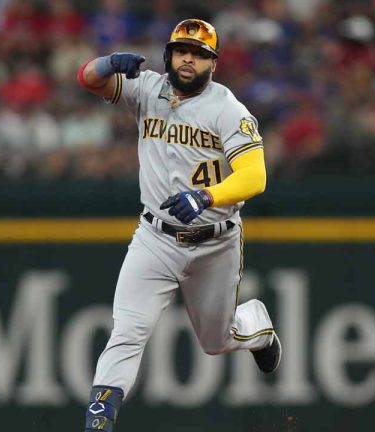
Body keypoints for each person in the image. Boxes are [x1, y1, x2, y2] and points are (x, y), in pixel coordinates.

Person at [77, 18, 281, 432]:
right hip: (155, 237)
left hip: (214, 242)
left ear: (213, 64)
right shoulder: (147, 88)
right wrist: (108, 63)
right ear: (169, 55)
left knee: (216, 341)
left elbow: (255, 176)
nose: (190, 59)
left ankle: (258, 328)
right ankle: (98, 421)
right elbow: (88, 79)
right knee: (128, 330)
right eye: (182, 51)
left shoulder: (228, 109)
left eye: (200, 54)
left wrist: (206, 196)